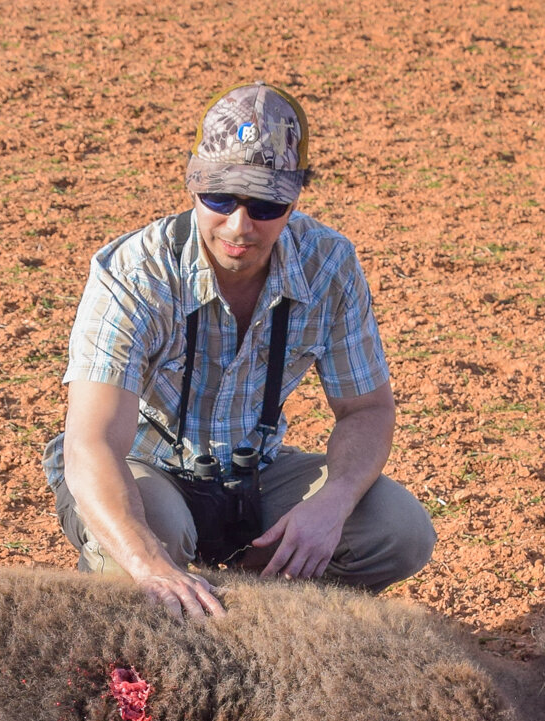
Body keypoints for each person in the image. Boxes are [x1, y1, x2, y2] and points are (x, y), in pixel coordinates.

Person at [45, 84, 434, 620]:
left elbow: (366, 409)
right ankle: (168, 610)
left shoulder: (329, 265)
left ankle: (255, 612)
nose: (239, 226)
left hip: (256, 474)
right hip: (145, 470)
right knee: (144, 551)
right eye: (220, 198)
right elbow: (91, 445)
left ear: (296, 197)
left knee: (397, 529)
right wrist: (151, 564)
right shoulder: (134, 273)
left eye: (266, 204)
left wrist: (332, 502)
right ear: (192, 184)